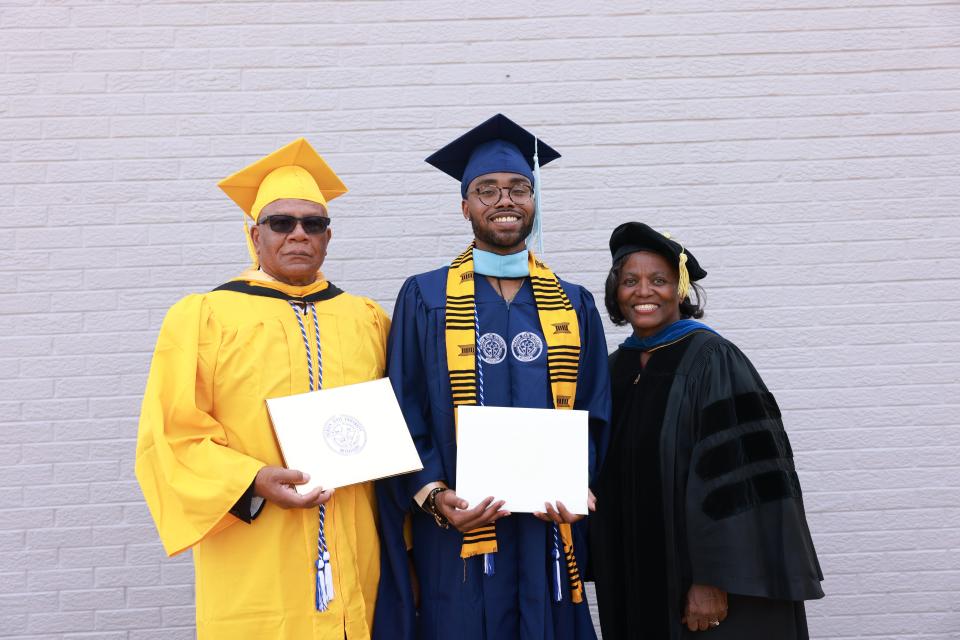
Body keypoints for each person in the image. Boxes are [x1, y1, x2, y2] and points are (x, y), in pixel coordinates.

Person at [135, 138, 390, 639]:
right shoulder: (205, 317)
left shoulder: (366, 317)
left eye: (312, 223)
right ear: (255, 235)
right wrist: (252, 479)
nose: (298, 234)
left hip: (356, 539)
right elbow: (170, 436)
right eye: (281, 223)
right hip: (258, 548)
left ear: (328, 236)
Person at [373, 114, 611, 640]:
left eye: (518, 189)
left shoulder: (573, 303)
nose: (505, 201)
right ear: (465, 207)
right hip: (459, 529)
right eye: (487, 190)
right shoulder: (425, 297)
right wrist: (434, 496)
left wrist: (578, 482)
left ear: (534, 201)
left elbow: (594, 406)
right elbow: (403, 405)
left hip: (546, 525)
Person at [590, 221, 824, 639]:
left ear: (679, 290)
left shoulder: (714, 360)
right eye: (630, 281)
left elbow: (741, 484)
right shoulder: (613, 370)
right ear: (616, 293)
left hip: (704, 588)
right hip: (635, 578)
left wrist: (713, 580)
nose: (643, 291)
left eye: (658, 280)